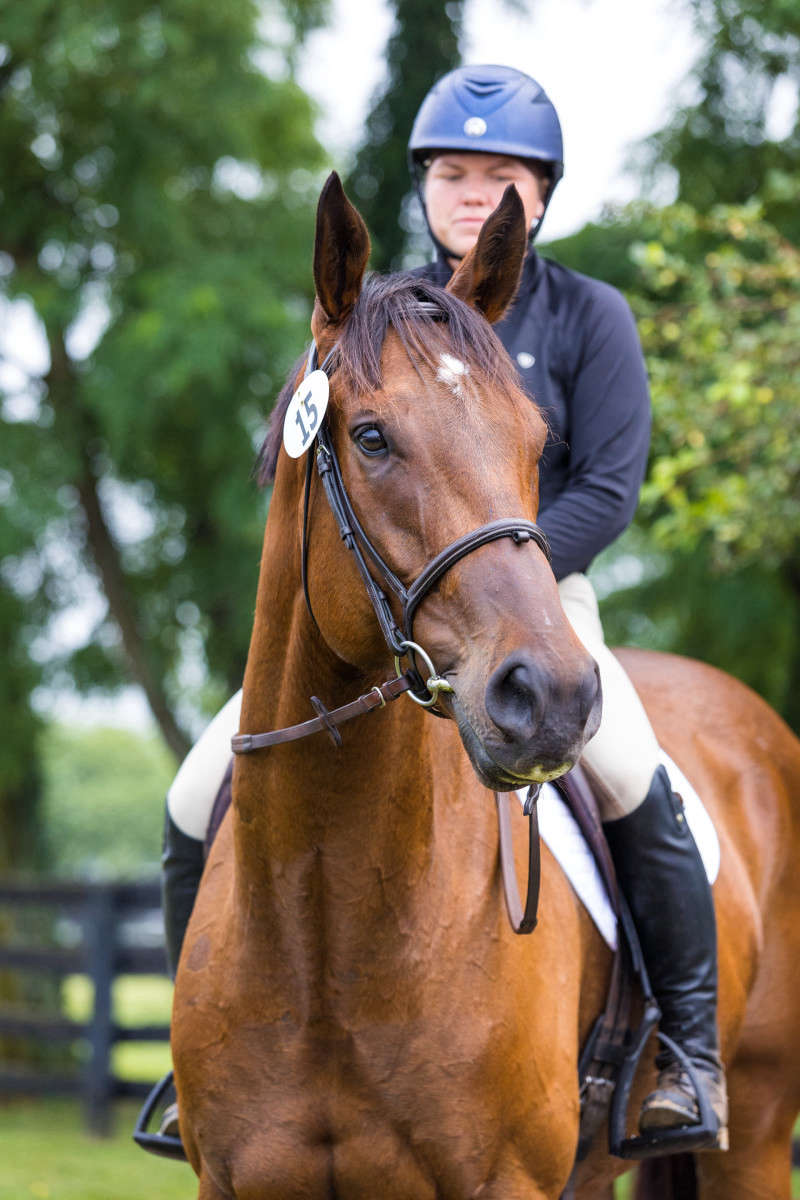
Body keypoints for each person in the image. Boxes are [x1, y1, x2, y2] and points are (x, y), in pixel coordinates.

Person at [158, 64, 727, 1151]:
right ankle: (208, 1066)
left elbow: (606, 485)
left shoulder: (586, 316)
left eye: (499, 177)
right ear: (423, 187)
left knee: (634, 775)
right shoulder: (365, 329)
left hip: (542, 595)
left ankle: (685, 1056)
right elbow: (300, 473)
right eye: (453, 174)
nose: (473, 194)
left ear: (537, 197)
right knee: (195, 792)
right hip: (383, 608)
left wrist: (500, 580)